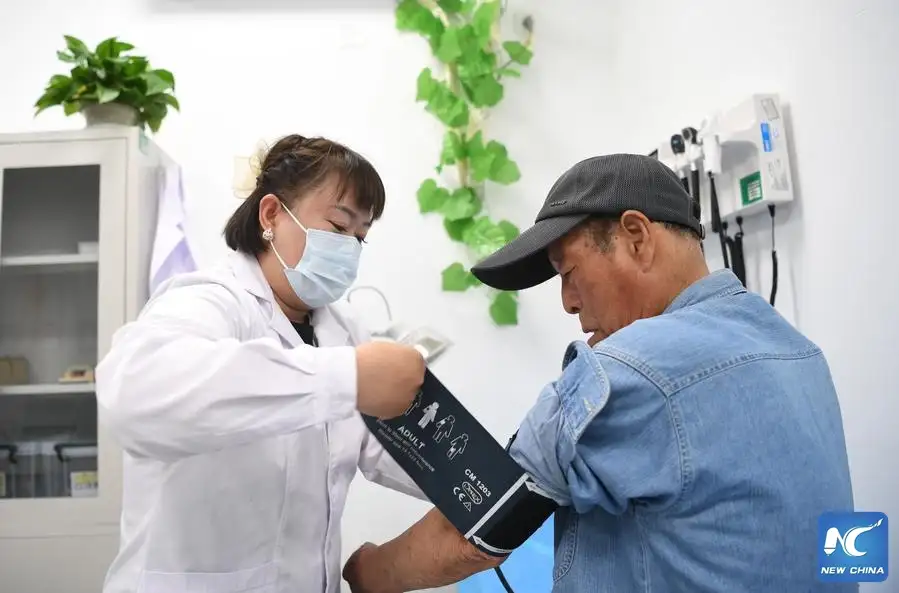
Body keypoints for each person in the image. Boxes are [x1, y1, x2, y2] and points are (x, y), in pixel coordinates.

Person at [341, 154, 856, 593]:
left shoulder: (622, 371)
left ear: (636, 237)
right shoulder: (800, 352)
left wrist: (365, 572)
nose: (568, 302)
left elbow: (478, 531)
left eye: (568, 272)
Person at [95, 134, 429, 593]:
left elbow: (402, 452)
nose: (350, 247)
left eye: (360, 237)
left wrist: (499, 479)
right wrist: (344, 378)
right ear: (271, 214)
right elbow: (135, 393)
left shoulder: (344, 330)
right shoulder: (211, 300)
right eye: (338, 226)